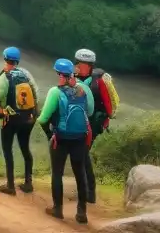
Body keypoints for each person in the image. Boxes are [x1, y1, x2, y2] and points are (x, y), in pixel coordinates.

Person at [37, 58, 94, 224]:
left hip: (61, 139)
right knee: (80, 172)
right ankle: (82, 212)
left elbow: (42, 119)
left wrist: (50, 130)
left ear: (59, 74)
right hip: (80, 139)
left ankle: (58, 209)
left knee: (57, 173)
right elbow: (89, 111)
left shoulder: (55, 92)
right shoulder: (83, 89)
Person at [75, 48, 118, 205]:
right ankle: (86, 189)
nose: (79, 66)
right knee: (81, 154)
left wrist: (104, 121)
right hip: (79, 121)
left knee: (83, 154)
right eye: (78, 63)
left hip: (94, 123)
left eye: (83, 64)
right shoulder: (75, 76)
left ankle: (90, 192)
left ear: (90, 65)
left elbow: (108, 106)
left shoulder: (99, 81)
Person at [0, 46, 39, 195]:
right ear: (17, 61)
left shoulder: (4, 78)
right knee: (25, 148)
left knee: (8, 150)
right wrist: (33, 114)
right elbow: (35, 94)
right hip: (28, 119)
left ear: (5, 59)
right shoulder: (26, 74)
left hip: (11, 119)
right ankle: (28, 183)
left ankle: (10, 185)